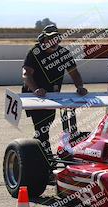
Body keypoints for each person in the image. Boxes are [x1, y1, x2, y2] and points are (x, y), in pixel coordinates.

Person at [22, 25, 87, 154]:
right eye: (50, 38)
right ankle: (45, 158)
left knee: (46, 125)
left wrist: (80, 87)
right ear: (43, 39)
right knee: (42, 128)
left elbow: (74, 73)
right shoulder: (34, 53)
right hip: (35, 97)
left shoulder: (64, 53)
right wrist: (36, 90)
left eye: (56, 38)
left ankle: (36, 149)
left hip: (53, 97)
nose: (54, 41)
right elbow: (26, 74)